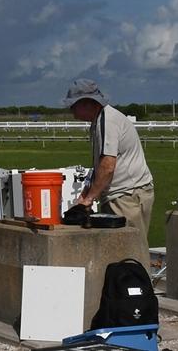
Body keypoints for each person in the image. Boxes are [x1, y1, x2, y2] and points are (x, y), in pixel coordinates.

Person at [65, 79, 155, 267]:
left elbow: (108, 166)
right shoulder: (101, 119)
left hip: (126, 195)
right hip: (124, 193)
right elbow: (101, 165)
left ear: (88, 103)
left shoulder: (108, 121)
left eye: (73, 106)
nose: (71, 112)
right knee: (123, 254)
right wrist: (90, 189)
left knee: (130, 253)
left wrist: (89, 200)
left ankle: (138, 294)